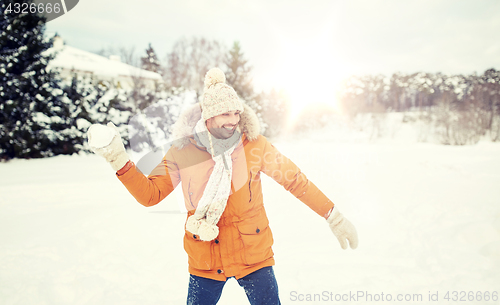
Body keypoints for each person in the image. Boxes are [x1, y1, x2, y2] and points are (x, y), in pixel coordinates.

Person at [87, 68, 358, 305]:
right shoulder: (183, 151)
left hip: (254, 255)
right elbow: (150, 195)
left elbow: (295, 181)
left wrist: (332, 215)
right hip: (206, 256)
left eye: (236, 113)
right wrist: (119, 161)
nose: (233, 120)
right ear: (208, 117)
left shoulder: (254, 146)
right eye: (225, 113)